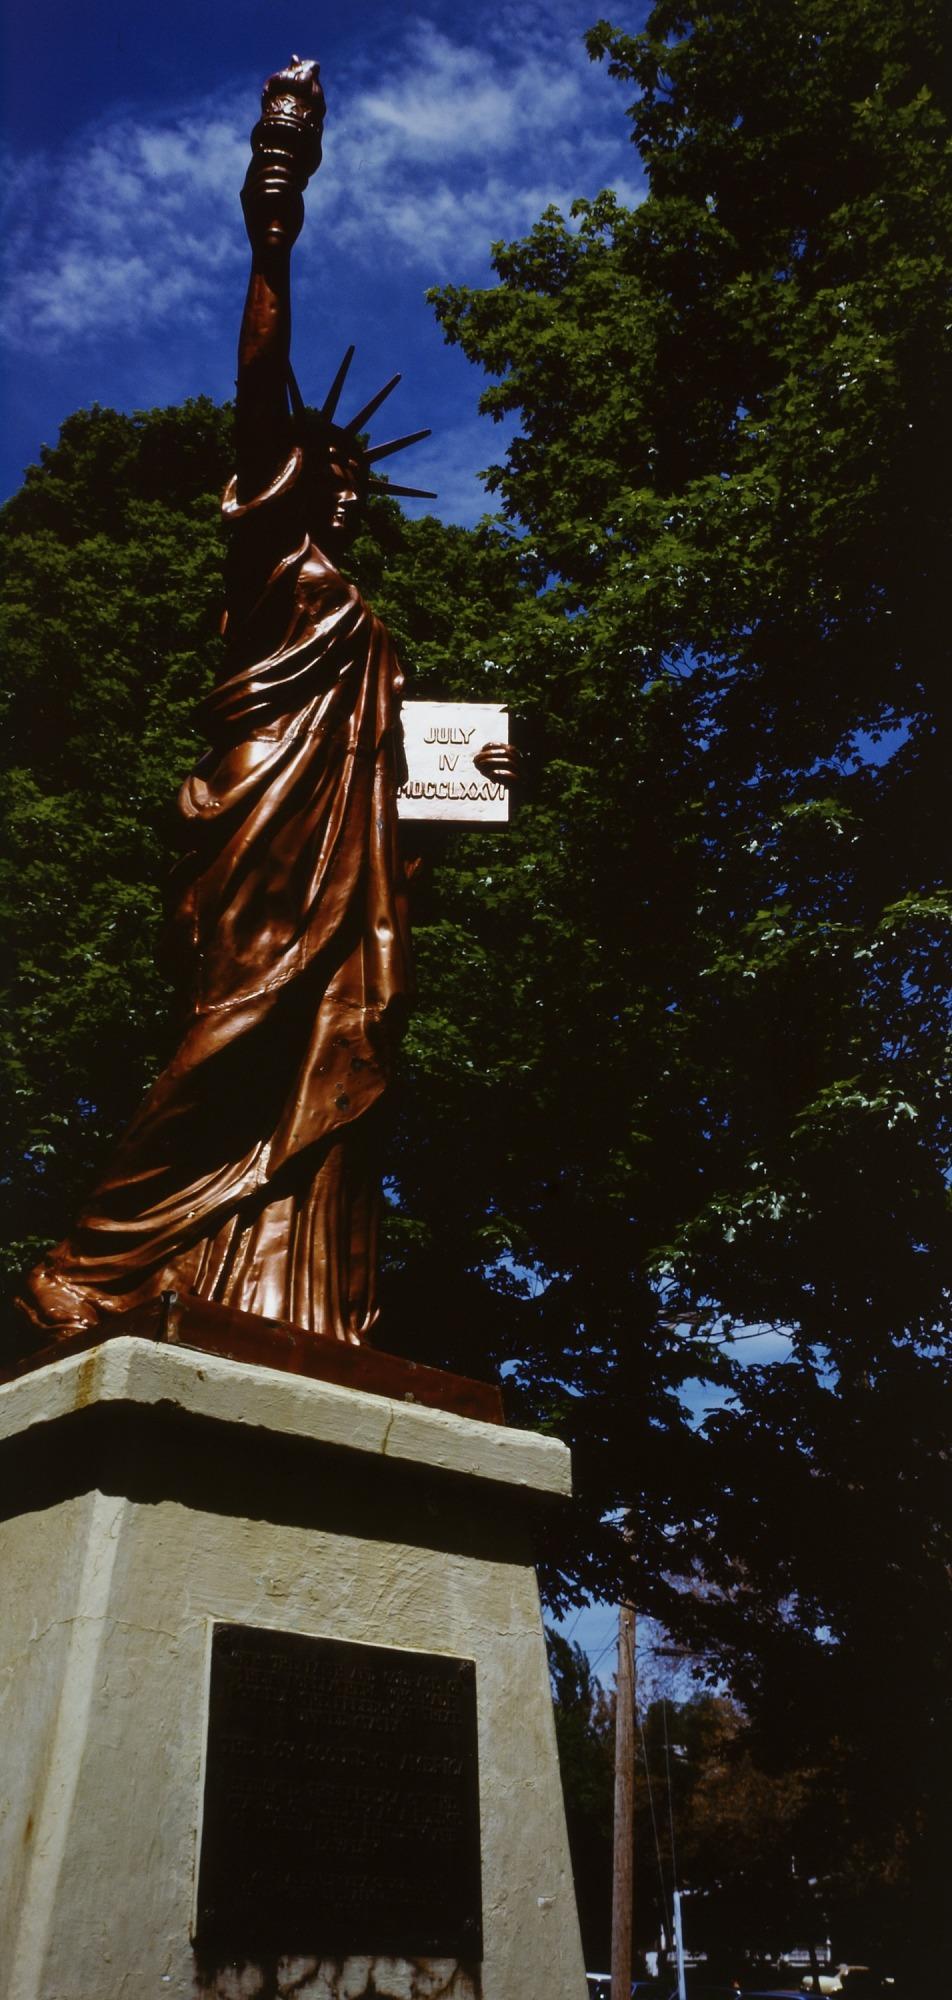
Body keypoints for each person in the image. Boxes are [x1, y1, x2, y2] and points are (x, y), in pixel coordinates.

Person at [17, 60, 429, 1345]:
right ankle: (84, 1259)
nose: (344, 487)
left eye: (356, 480)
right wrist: (276, 213)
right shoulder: (270, 558)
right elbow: (263, 373)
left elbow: (393, 771)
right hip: (261, 820)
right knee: (236, 1030)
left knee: (333, 1038)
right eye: (326, 467)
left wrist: (458, 796)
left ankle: (281, 1293)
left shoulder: (366, 620)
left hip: (350, 855)